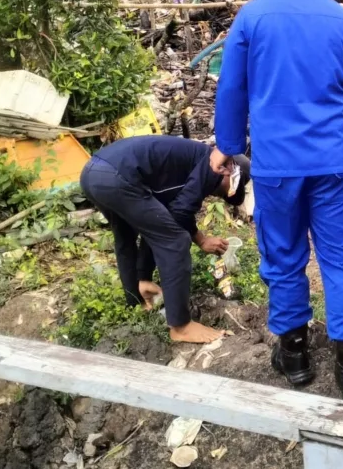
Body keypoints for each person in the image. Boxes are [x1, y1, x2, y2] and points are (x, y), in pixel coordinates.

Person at [212, 0, 343, 402]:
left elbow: (231, 88)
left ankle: (296, 359)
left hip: (277, 165)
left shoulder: (253, 17)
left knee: (283, 257)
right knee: (340, 259)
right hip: (334, 163)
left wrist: (227, 145)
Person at [80, 135, 249, 344]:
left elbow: (163, 221)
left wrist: (143, 274)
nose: (217, 194)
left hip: (93, 173)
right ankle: (181, 327)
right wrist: (201, 240)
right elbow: (178, 216)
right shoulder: (214, 165)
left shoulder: (189, 162)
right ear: (230, 171)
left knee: (126, 234)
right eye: (226, 191)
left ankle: (137, 297)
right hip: (117, 176)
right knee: (176, 241)